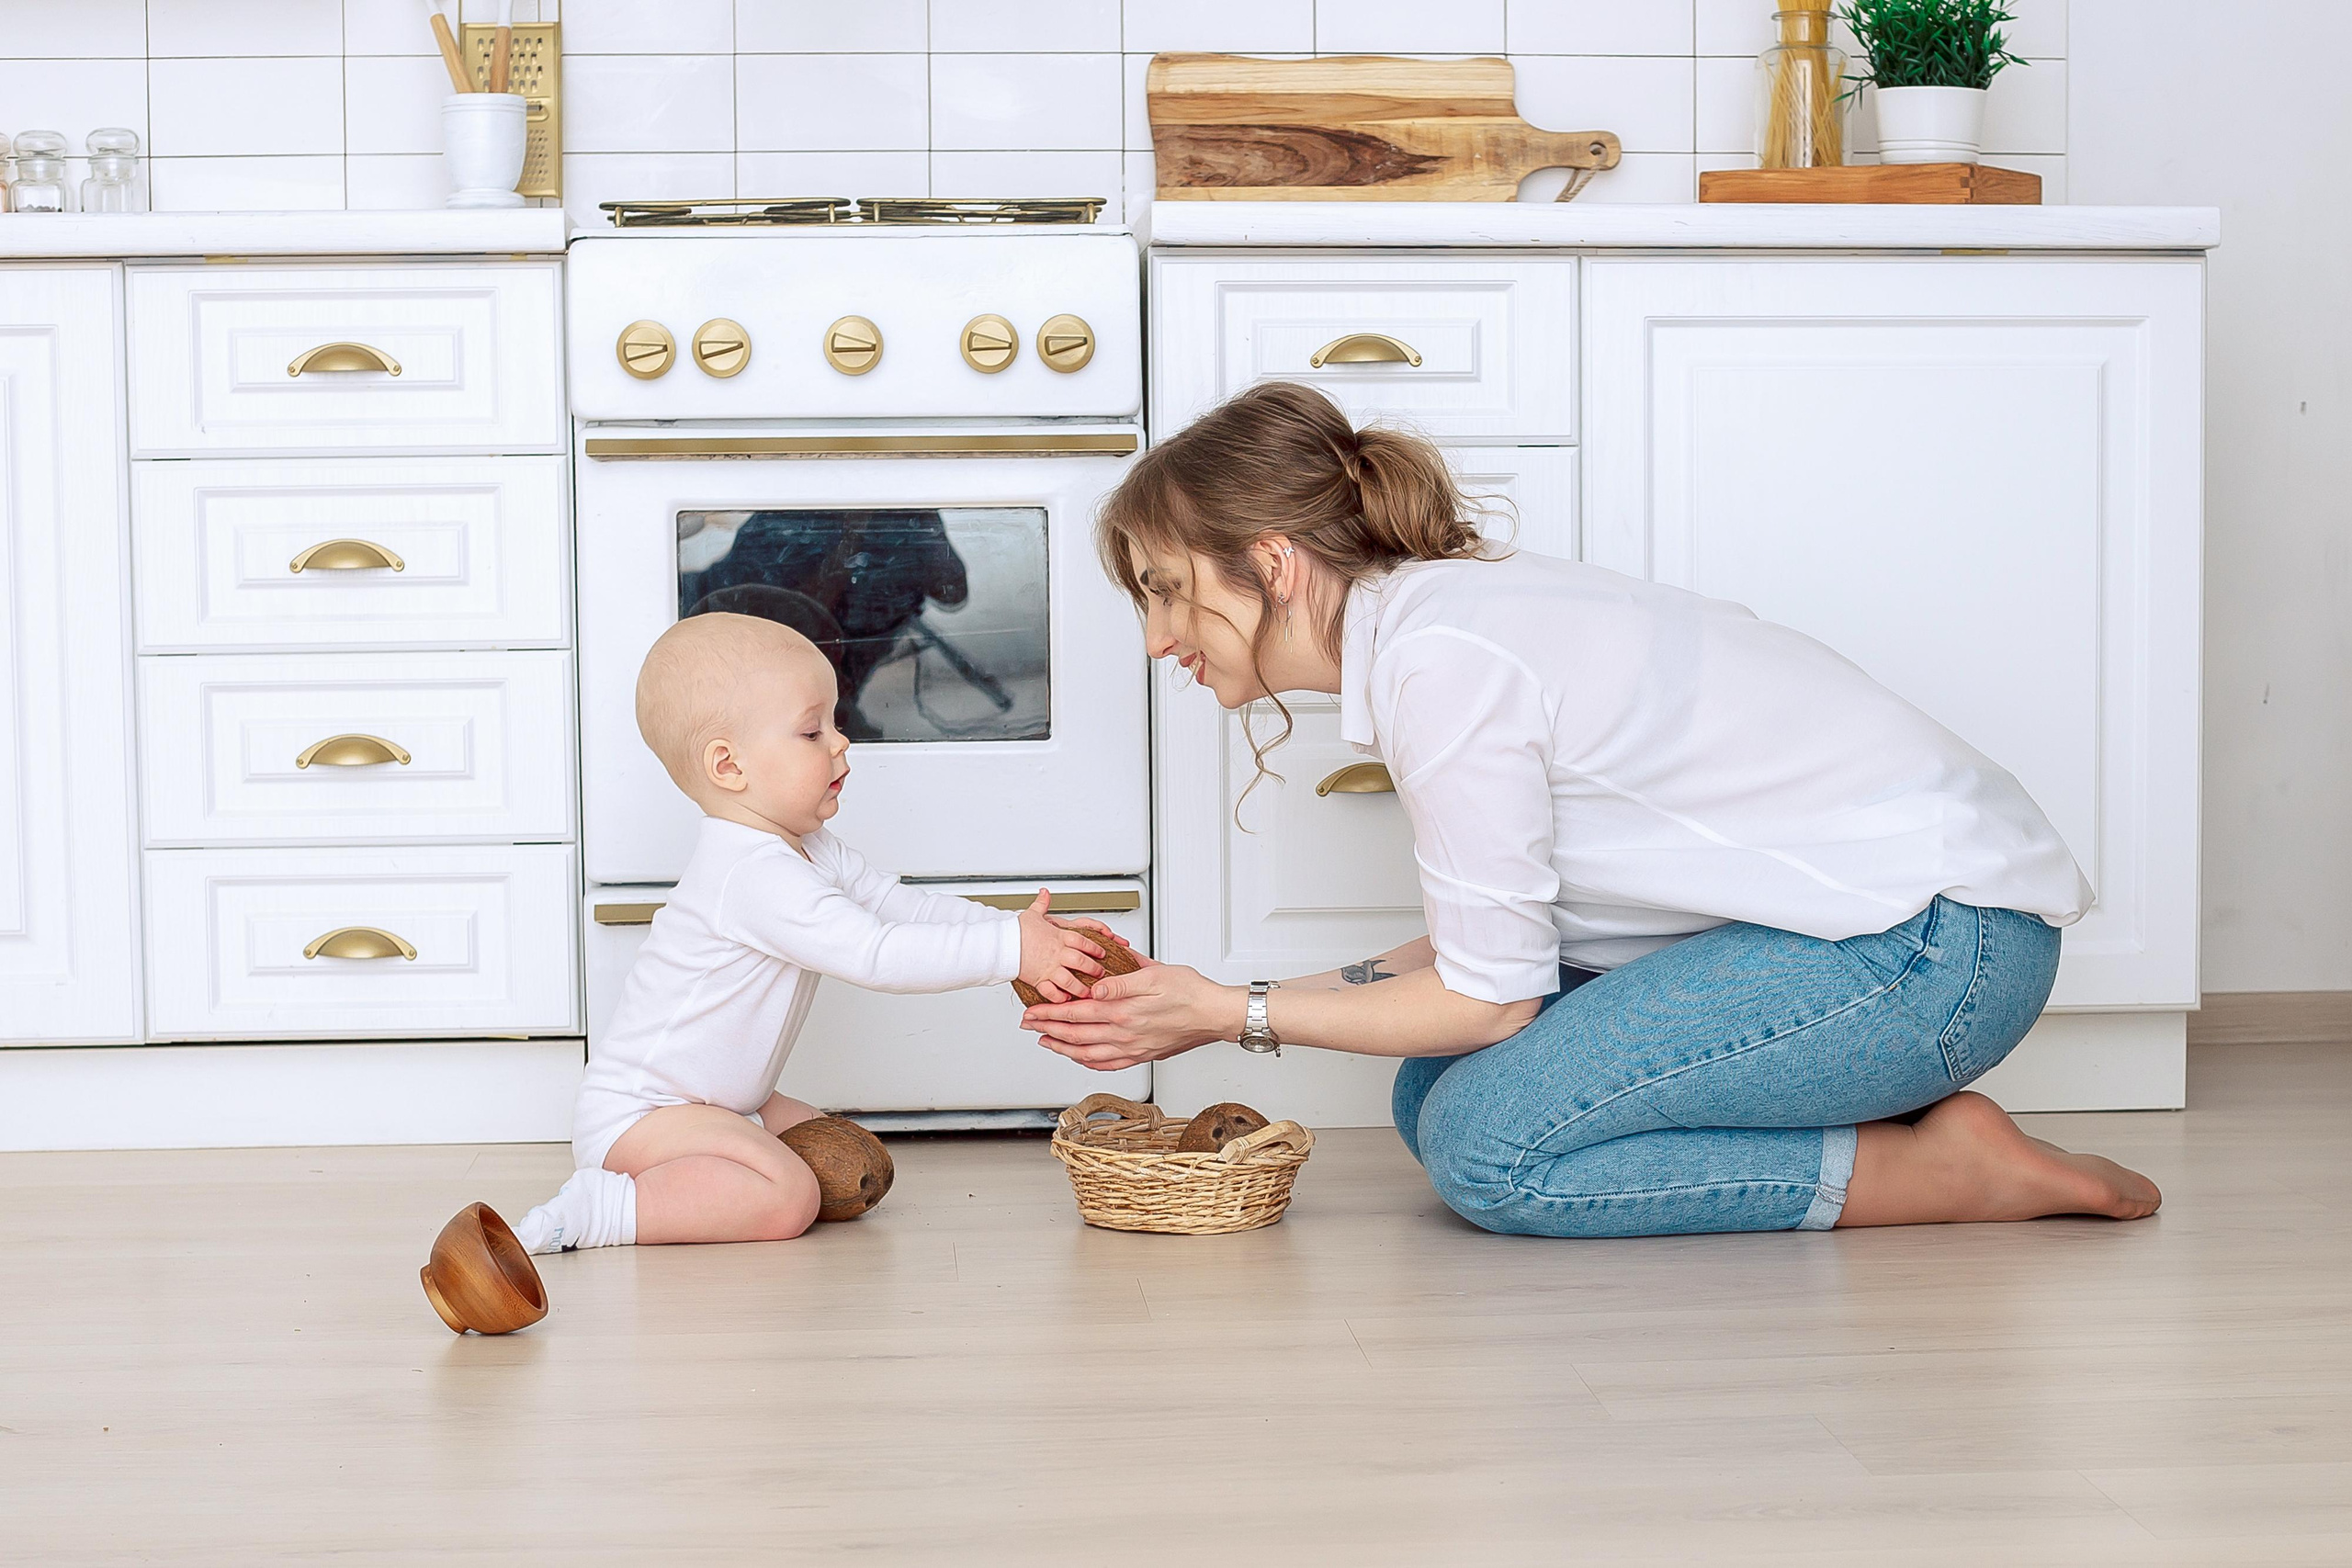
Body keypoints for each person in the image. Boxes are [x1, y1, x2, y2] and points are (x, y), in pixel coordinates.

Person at [1023, 381, 2162, 1237]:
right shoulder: (1435, 627)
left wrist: (1230, 1013)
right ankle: (1893, 1136)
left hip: (1938, 950)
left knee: (1487, 1150)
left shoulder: (1443, 665)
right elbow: (1487, 947)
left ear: (1271, 564)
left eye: (1168, 592)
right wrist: (1208, 1000)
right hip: (1878, 930)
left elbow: (1486, 996)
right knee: (1435, 1092)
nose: (1158, 639)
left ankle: (1943, 1173)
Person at [514, 613, 1112, 1254]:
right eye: (811, 731)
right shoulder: (751, 873)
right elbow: (875, 953)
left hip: (725, 1102)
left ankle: (708, 1176)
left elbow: (897, 907)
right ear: (729, 765)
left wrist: (1013, 930)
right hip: (643, 1116)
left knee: (854, 1161)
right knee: (790, 1197)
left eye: (835, 721)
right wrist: (1010, 952)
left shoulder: (807, 848)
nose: (840, 742)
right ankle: (599, 1209)